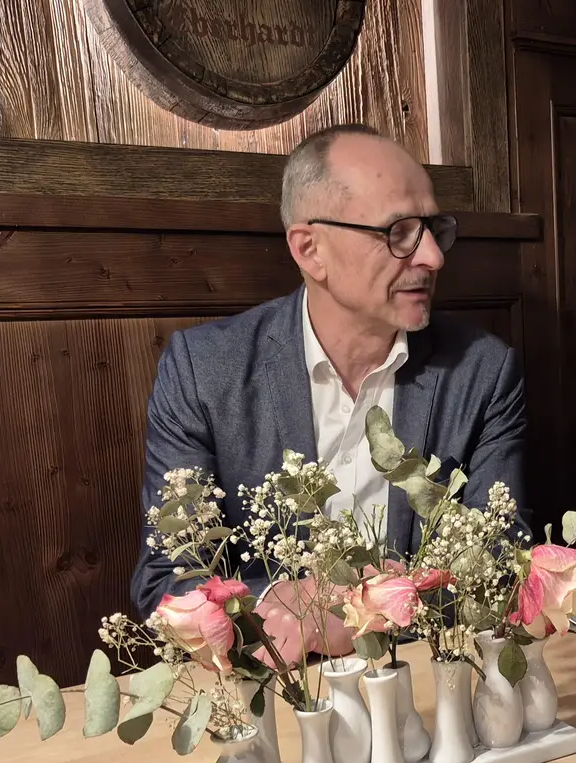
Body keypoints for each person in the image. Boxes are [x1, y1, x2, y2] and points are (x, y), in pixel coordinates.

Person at [130, 124, 530, 660]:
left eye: (433, 229)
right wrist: (275, 608)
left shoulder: (481, 372)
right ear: (310, 248)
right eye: (399, 232)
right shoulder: (204, 370)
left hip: (426, 681)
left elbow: (502, 567)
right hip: (275, 689)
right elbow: (166, 584)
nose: (433, 257)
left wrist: (368, 612)